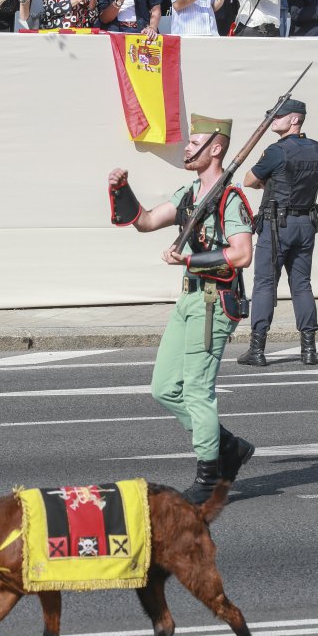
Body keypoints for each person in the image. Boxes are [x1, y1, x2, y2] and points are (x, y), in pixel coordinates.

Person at [108, 114, 254, 504]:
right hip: (188, 299)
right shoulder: (189, 194)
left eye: (195, 143)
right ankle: (227, 446)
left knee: (196, 390)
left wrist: (189, 261)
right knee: (163, 388)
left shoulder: (230, 198)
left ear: (216, 149)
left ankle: (209, 480)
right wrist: (123, 190)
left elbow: (241, 254)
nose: (187, 149)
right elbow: (148, 220)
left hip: (214, 303)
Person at [237, 99, 318, 368]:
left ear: (294, 120)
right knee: (302, 284)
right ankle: (309, 350)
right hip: (306, 224)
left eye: (278, 116)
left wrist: (269, 182)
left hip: (278, 226)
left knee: (265, 283)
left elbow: (249, 180)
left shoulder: (276, 152)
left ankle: (257, 349)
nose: (272, 120)